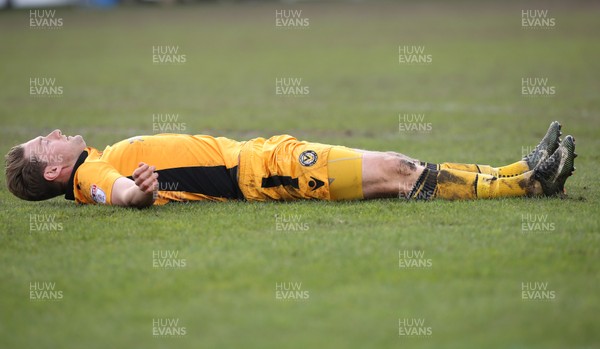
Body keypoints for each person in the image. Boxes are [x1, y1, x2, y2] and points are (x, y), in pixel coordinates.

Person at [5, 121, 576, 208]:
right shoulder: (88, 176)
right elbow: (116, 192)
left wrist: (134, 186)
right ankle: (525, 185)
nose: (53, 132)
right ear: (54, 171)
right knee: (402, 170)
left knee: (403, 164)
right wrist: (136, 193)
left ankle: (516, 173)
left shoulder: (94, 163)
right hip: (264, 174)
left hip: (265, 156)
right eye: (43, 143)